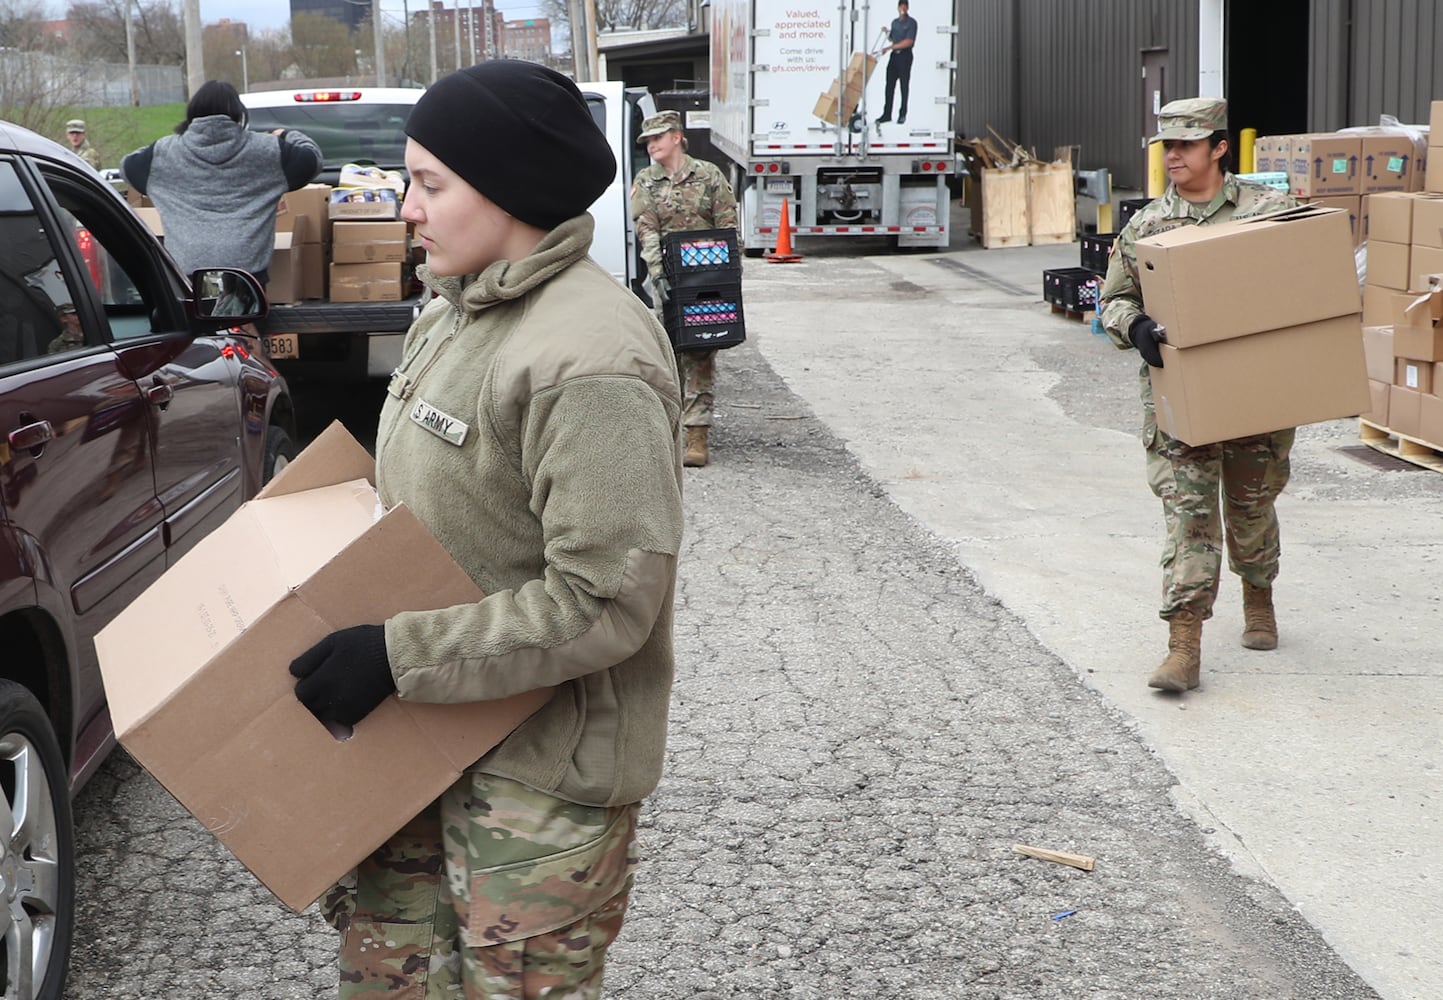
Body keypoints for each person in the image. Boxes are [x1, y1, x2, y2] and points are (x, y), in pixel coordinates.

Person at [286, 61, 684, 999]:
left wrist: (396, 656)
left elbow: (604, 601)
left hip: (534, 786)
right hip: (422, 746)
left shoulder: (590, 358)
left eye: (429, 184)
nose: (406, 209)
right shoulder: (452, 311)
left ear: (508, 192)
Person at [1099, 97, 1297, 693]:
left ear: (1218, 147)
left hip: (1255, 395)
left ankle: (1258, 592)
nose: (1174, 157)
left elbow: (1306, 285)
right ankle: (1184, 645)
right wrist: (1133, 328)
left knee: (1251, 507)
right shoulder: (1147, 225)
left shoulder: (1270, 210)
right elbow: (1113, 298)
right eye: (1168, 147)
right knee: (1189, 519)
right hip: (1179, 401)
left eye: (1186, 145)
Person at [120, 81, 320, 285]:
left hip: (186, 273)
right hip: (247, 274)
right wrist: (286, 134)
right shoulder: (268, 150)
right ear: (238, 114)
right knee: (244, 316)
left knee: (190, 316)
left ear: (192, 112)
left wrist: (164, 144)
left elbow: (127, 166)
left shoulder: (163, 153)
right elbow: (312, 161)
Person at [630, 108, 738, 467]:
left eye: (657, 138)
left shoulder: (708, 176)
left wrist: (728, 275)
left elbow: (726, 225)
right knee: (667, 353)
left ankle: (697, 436)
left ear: (677, 137)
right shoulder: (646, 181)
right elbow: (646, 228)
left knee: (701, 353)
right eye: (647, 141)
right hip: (668, 278)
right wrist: (657, 274)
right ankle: (669, 430)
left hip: (707, 279)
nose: (651, 146)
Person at [875, 0, 917, 126]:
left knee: (904, 86)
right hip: (894, 57)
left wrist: (889, 48)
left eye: (905, 6)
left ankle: (902, 114)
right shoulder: (895, 22)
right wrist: (887, 32)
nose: (903, 8)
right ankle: (887, 114)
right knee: (889, 86)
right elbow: (893, 39)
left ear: (907, 7)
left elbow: (909, 41)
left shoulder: (911, 23)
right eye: (901, 6)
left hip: (905, 56)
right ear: (898, 7)